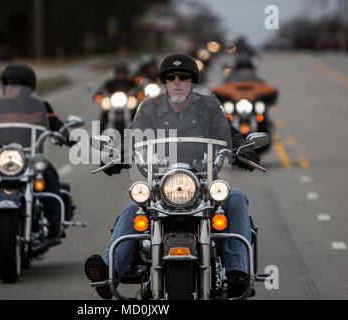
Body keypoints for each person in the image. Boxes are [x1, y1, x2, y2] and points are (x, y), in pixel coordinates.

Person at [84, 53, 260, 300]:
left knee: (237, 199)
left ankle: (238, 273)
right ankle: (108, 273)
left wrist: (242, 148)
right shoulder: (150, 108)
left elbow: (229, 132)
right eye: (171, 77)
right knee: (133, 209)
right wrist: (117, 155)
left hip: (201, 179)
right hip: (161, 180)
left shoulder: (209, 106)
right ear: (164, 81)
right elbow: (133, 136)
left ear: (192, 80)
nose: (177, 80)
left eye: (184, 76)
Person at [0, 63, 73, 241]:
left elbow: (55, 124)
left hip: (29, 156)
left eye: (14, 84)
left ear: (26, 87)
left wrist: (65, 133)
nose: (9, 88)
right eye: (7, 84)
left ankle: (54, 220)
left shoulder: (40, 106)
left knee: (49, 173)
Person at [94, 62, 139, 131]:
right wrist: (98, 95)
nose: (121, 75)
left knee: (137, 113)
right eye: (119, 72)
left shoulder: (131, 82)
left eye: (123, 72)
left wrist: (140, 95)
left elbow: (138, 90)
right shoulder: (110, 82)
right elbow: (102, 89)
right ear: (116, 73)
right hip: (113, 105)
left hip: (128, 105)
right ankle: (100, 136)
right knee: (104, 114)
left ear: (126, 73)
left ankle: (141, 133)